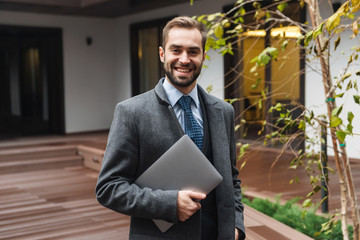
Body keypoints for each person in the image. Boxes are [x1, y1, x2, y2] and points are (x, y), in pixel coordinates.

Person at [96, 16, 245, 240]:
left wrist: (236, 226)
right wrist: (169, 204)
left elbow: (231, 179)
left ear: (203, 57)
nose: (184, 59)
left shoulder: (223, 111)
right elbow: (109, 188)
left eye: (193, 52)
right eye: (176, 50)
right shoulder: (131, 112)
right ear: (162, 54)